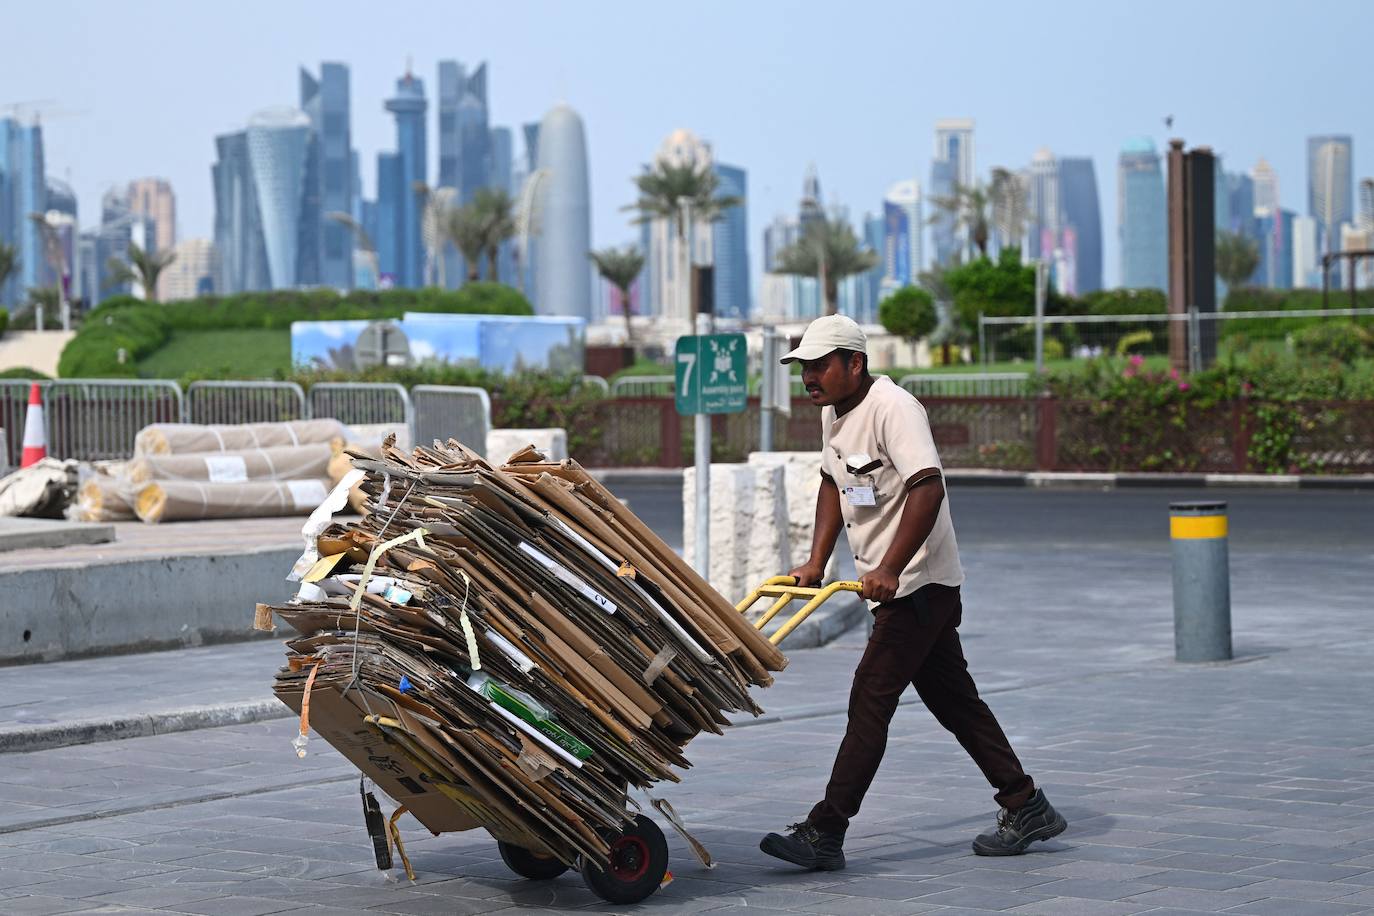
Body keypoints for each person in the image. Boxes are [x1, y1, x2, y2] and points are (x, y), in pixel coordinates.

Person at [758, 314, 1066, 870]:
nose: (809, 377)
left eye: (819, 365)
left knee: (869, 698)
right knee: (954, 701)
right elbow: (834, 482)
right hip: (896, 587)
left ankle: (826, 830)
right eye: (804, 367)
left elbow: (927, 489)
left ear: (856, 362)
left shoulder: (894, 407)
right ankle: (1026, 804)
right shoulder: (834, 411)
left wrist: (892, 568)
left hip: (919, 582)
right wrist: (816, 562)